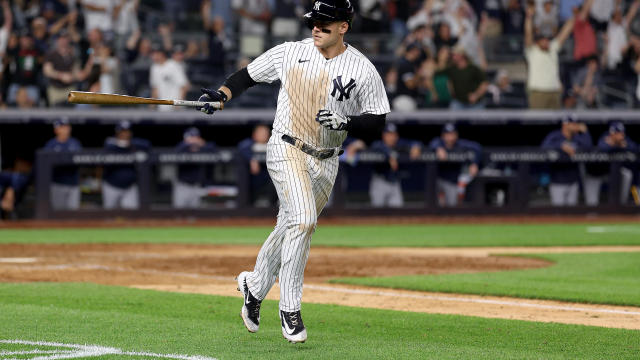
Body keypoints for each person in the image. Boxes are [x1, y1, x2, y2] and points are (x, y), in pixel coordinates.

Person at [197, 0, 389, 343]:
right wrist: (222, 94)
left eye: (325, 22)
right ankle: (290, 308)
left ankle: (254, 287)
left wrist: (348, 122)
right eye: (313, 21)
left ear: (343, 26)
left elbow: (377, 122)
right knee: (303, 221)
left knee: (289, 226)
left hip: (327, 159)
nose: (316, 27)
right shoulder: (290, 52)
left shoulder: (362, 69)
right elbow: (246, 76)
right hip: (287, 147)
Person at [524, 3, 574, 109]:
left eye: (547, 39)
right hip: (538, 93)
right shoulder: (532, 51)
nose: (546, 41)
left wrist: (573, 17)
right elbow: (528, 34)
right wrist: (528, 17)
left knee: (555, 123)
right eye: (543, 39)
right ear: (537, 41)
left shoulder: (553, 48)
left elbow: (564, 33)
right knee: (538, 123)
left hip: (554, 92)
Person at [541, 115, 592, 206]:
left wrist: (585, 132)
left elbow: (588, 147)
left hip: (573, 182)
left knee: (571, 215)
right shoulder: (555, 136)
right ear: (565, 125)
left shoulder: (577, 138)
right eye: (573, 124)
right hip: (557, 182)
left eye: (576, 123)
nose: (576, 126)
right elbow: (544, 147)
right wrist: (561, 146)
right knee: (558, 214)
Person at [428, 123, 482, 207]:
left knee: (452, 206)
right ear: (443, 136)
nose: (450, 137)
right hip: (437, 180)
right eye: (447, 134)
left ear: (456, 135)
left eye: (452, 134)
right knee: (433, 204)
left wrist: (474, 163)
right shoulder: (438, 143)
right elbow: (432, 143)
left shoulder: (461, 144)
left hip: (451, 181)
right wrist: (438, 149)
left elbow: (477, 147)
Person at [369, 123, 422, 208]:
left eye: (393, 135)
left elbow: (416, 143)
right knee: (377, 212)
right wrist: (389, 155)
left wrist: (416, 147)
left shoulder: (399, 144)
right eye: (389, 135)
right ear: (384, 135)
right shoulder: (378, 145)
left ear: (397, 136)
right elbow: (376, 146)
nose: (391, 137)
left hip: (394, 182)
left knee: (398, 212)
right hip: (380, 182)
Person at [101, 120, 150, 209]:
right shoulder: (110, 145)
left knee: (131, 215)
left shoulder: (135, 145)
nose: (125, 134)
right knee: (108, 216)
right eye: (122, 131)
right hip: (111, 186)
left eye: (127, 131)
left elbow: (147, 144)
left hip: (129, 187)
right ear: (117, 132)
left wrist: (131, 144)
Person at [43, 118, 83, 210]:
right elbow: (46, 165)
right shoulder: (51, 144)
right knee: (58, 213)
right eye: (62, 127)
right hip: (57, 184)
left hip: (73, 184)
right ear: (56, 130)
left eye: (67, 126)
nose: (65, 129)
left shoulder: (75, 143)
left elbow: (80, 161)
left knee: (73, 214)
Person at [173, 127, 216, 209]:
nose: (194, 140)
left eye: (196, 137)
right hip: (182, 186)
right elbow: (177, 150)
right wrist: (188, 144)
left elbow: (214, 150)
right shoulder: (182, 148)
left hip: (197, 186)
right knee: (178, 213)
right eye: (192, 137)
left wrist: (203, 144)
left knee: (195, 214)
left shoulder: (203, 148)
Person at [597, 122, 638, 205]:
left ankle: (623, 203)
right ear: (612, 133)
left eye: (622, 133)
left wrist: (624, 146)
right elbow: (601, 147)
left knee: (627, 175)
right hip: (602, 171)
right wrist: (613, 145)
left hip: (620, 172)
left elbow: (635, 148)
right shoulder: (605, 138)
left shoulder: (625, 139)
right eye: (618, 133)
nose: (621, 135)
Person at [237, 124, 277, 207]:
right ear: (254, 135)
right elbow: (241, 148)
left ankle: (273, 206)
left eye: (265, 133)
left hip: (269, 182)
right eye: (261, 133)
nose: (263, 135)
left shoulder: (273, 145)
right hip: (253, 182)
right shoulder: (248, 144)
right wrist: (252, 159)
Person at [150, 44, 189, 111]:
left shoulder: (174, 65)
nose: (154, 56)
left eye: (156, 53)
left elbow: (184, 86)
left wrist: (178, 104)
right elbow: (155, 88)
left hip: (176, 108)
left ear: (162, 54)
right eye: (152, 53)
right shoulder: (154, 68)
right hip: (162, 108)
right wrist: (152, 105)